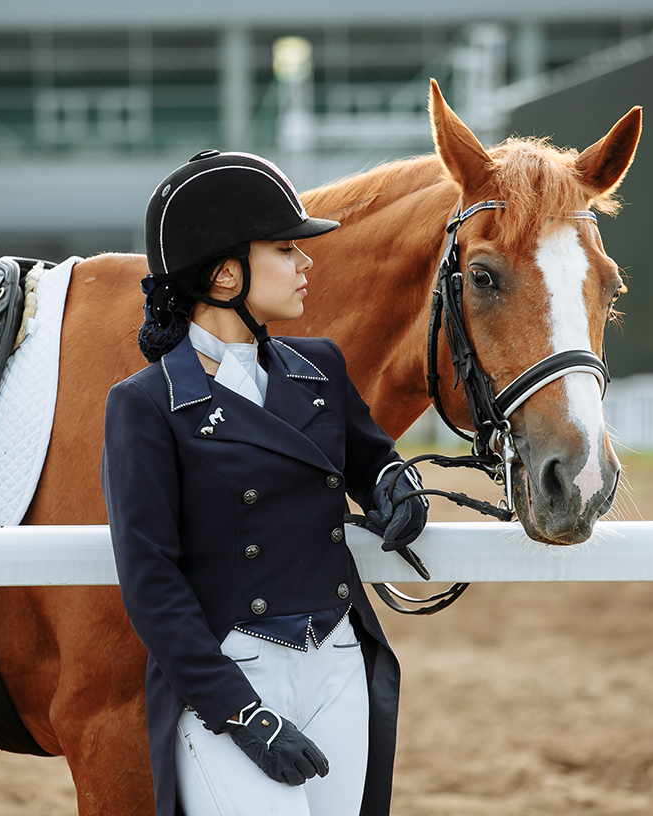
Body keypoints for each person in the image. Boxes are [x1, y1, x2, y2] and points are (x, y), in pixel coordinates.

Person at [101, 149, 428, 816]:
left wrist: (394, 479)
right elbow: (151, 582)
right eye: (286, 249)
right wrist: (242, 714)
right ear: (225, 275)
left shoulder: (321, 366)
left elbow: (366, 458)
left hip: (337, 658)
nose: (307, 264)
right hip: (234, 675)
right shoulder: (145, 404)